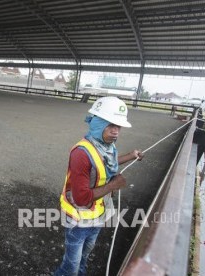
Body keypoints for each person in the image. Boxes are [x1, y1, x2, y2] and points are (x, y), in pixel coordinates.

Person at [54, 96, 144, 276]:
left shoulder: (105, 147)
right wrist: (113, 186)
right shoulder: (81, 153)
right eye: (110, 125)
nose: (116, 131)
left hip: (98, 215)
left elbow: (105, 164)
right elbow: (81, 198)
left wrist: (130, 155)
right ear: (98, 123)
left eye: (118, 126)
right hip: (79, 220)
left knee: (84, 257)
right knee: (71, 266)